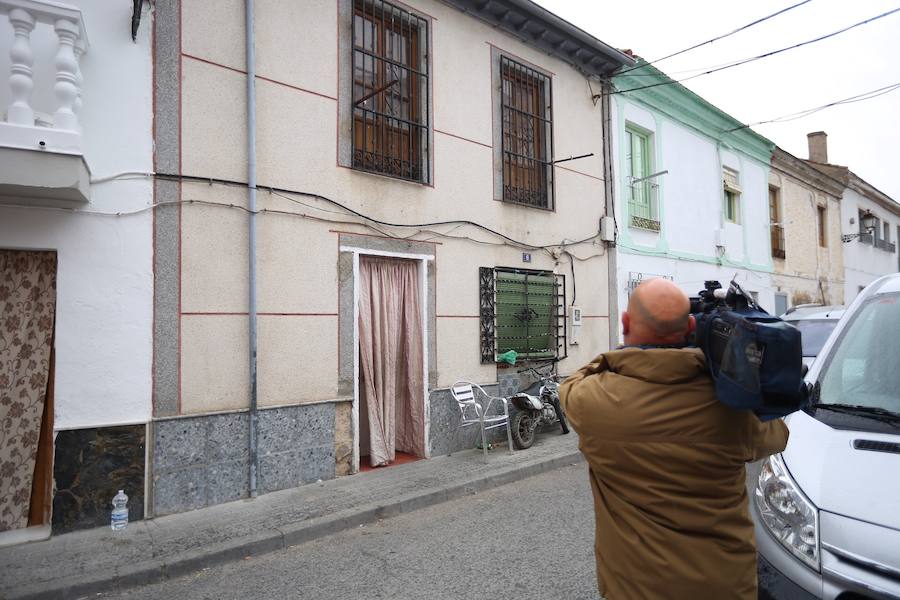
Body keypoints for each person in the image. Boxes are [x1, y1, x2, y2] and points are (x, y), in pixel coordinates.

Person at [559, 278, 788, 600]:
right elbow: (778, 435)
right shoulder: (732, 405)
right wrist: (730, 367)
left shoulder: (591, 401)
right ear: (692, 327)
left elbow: (572, 380)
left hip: (635, 587)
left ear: (625, 323)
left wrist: (616, 358)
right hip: (723, 583)